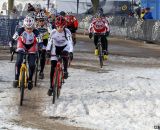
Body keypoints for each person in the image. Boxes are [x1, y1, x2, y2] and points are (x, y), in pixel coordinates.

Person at [46, 16, 73, 96]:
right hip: (56, 47)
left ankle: (65, 70)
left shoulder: (67, 32)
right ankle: (51, 87)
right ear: (55, 25)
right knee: (52, 68)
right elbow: (50, 43)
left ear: (64, 26)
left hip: (65, 47)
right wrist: (48, 51)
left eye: (61, 26)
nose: (60, 28)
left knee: (65, 54)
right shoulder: (53, 32)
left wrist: (71, 52)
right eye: (58, 26)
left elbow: (70, 42)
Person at [10, 16, 39, 90]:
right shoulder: (20, 30)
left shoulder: (36, 31)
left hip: (32, 46)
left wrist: (41, 48)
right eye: (27, 28)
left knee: (32, 65)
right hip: (22, 45)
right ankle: (16, 78)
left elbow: (40, 41)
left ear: (33, 27)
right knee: (18, 62)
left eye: (31, 28)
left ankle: (30, 80)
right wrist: (11, 47)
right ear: (24, 26)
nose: (29, 30)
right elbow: (13, 39)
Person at [36, 12, 50, 79]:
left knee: (42, 56)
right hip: (37, 41)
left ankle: (41, 71)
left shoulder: (48, 25)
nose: (41, 22)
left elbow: (51, 33)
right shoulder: (34, 25)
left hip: (45, 41)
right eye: (39, 20)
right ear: (37, 20)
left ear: (45, 20)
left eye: (42, 20)